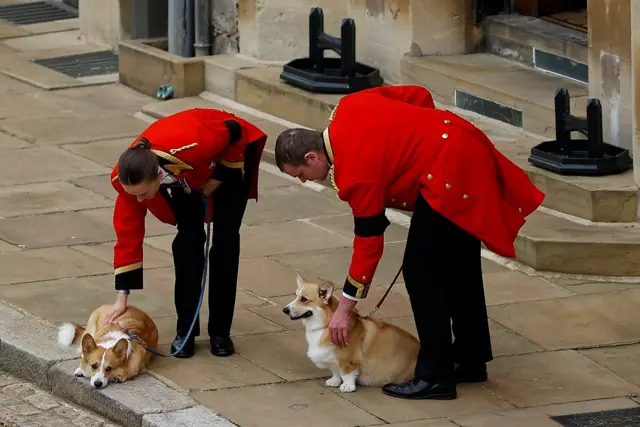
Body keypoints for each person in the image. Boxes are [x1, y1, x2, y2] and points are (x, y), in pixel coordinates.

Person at [274, 85, 545, 400]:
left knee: (422, 274)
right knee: (459, 264)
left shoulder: (355, 174)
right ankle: (470, 358)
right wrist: (423, 139)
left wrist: (345, 308)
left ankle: (435, 376)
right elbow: (417, 95)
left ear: (311, 155)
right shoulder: (349, 106)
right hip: (461, 143)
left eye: (302, 173)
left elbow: (368, 244)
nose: (306, 180)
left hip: (447, 174)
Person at [107, 108, 267, 359]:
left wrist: (216, 180)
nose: (137, 199)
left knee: (225, 243)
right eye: (133, 194)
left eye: (142, 193)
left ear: (157, 176)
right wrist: (121, 298)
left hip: (228, 163)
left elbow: (235, 133)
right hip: (186, 179)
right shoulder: (128, 181)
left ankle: (220, 332)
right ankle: (186, 331)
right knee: (187, 244)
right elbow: (127, 237)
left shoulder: (193, 142)